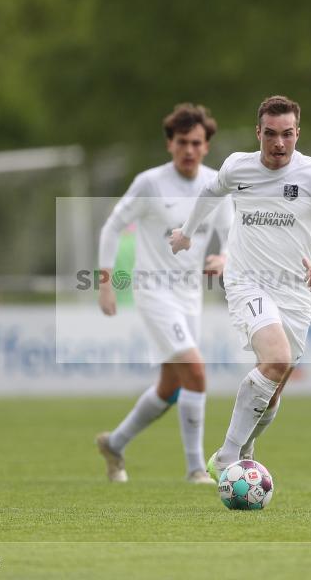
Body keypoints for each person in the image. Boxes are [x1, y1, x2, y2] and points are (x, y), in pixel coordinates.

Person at [169, 95, 311, 478]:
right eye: (271, 134)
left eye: (288, 134)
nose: (279, 144)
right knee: (275, 359)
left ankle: (244, 450)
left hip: (294, 293)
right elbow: (210, 194)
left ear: (298, 133)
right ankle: (227, 456)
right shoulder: (237, 168)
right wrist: (187, 233)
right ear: (258, 132)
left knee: (274, 387)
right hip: (246, 282)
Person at [95, 103, 233, 484]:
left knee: (172, 387)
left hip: (190, 296)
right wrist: (105, 282)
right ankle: (195, 470)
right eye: (182, 142)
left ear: (206, 146)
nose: (189, 149)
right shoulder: (150, 183)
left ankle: (115, 444)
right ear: (170, 144)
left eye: (197, 143)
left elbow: (233, 231)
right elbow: (112, 227)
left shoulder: (215, 184)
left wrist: (224, 256)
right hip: (153, 291)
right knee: (197, 372)